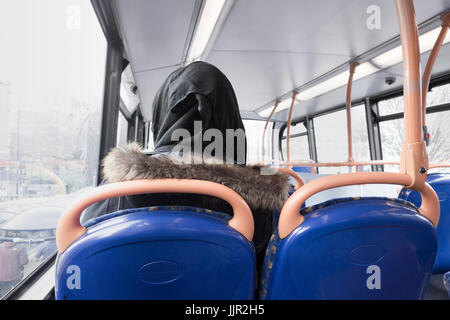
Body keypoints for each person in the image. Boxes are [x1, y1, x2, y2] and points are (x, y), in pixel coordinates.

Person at [81, 61, 290, 270]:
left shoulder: (116, 187)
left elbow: (86, 258)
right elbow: (265, 276)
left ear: (161, 117)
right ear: (230, 118)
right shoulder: (261, 198)